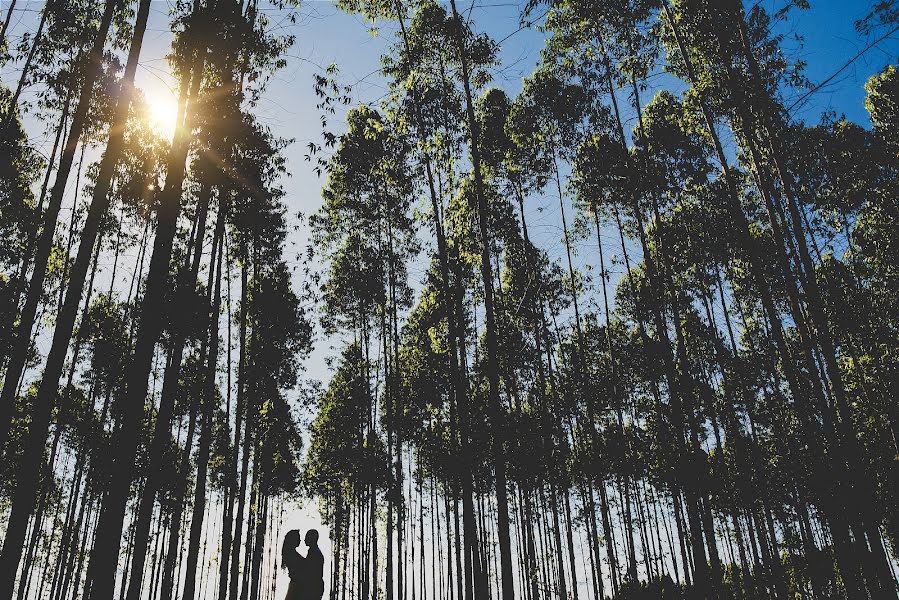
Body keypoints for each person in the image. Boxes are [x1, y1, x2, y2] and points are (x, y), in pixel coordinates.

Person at [300, 529, 325, 600]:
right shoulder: (314, 551)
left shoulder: (314, 553)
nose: (304, 540)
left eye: (306, 537)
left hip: (314, 587)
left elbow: (309, 571)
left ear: (312, 538)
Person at [281, 530, 304, 600]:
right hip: (296, 587)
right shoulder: (292, 555)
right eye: (298, 538)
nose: (300, 540)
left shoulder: (291, 553)